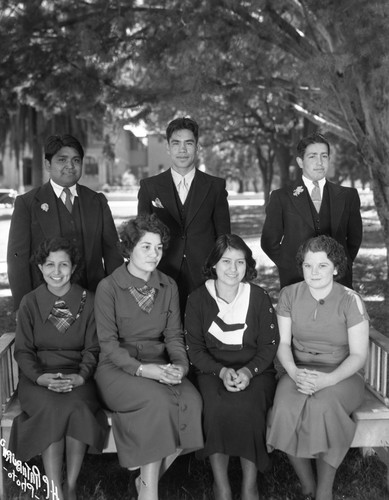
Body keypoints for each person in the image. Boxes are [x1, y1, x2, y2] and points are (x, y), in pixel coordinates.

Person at [94, 214, 203, 500]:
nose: (154, 254)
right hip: (117, 370)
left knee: (191, 401)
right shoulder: (109, 288)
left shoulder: (168, 285)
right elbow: (108, 344)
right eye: (146, 247)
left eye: (158, 247)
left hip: (160, 365)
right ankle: (149, 493)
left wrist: (179, 366)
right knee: (159, 402)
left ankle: (144, 481)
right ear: (128, 249)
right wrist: (144, 371)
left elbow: (174, 337)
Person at [266, 235, 369, 500]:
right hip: (297, 370)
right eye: (308, 265)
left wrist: (327, 380)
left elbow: (358, 355)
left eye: (322, 266)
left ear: (336, 268)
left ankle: (324, 490)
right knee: (286, 408)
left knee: (322, 407)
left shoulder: (350, 300)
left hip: (342, 374)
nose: (314, 272)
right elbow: (283, 343)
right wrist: (294, 372)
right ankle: (307, 484)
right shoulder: (289, 294)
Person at [9, 237, 108, 500]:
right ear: (40, 268)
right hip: (38, 378)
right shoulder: (30, 302)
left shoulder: (90, 301)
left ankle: (72, 485)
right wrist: (40, 378)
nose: (56, 271)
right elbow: (23, 350)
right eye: (49, 264)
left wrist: (80, 376)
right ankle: (55, 491)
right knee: (53, 408)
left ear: (73, 267)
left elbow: (93, 348)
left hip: (79, 375)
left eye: (63, 264)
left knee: (75, 407)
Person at [185, 234, 279, 500]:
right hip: (212, 370)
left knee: (250, 406)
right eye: (226, 261)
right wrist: (222, 372)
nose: (233, 269)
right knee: (216, 407)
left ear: (247, 266)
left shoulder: (258, 297)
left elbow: (269, 344)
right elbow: (195, 349)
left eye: (240, 262)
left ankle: (250, 484)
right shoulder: (197, 299)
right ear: (213, 263)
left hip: (256, 370)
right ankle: (221, 484)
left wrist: (249, 372)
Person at [7, 134, 123, 311]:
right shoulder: (27, 204)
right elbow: (17, 260)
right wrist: (22, 307)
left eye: (76, 160)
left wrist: (116, 298)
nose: (70, 166)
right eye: (62, 160)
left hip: (95, 301)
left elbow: (113, 253)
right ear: (48, 164)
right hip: (46, 304)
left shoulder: (97, 201)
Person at [137, 117, 231, 314]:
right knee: (166, 331)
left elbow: (224, 237)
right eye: (176, 143)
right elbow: (142, 236)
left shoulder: (215, 187)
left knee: (203, 330)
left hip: (204, 272)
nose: (182, 150)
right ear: (168, 148)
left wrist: (219, 272)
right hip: (163, 270)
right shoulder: (149, 187)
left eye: (188, 143)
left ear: (197, 148)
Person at [261, 132, 362, 289]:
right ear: (300, 162)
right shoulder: (281, 197)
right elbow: (269, 242)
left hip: (338, 282)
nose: (319, 162)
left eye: (324, 156)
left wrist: (340, 265)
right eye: (312, 156)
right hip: (295, 282)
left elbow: (354, 239)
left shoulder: (348, 196)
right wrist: (290, 267)